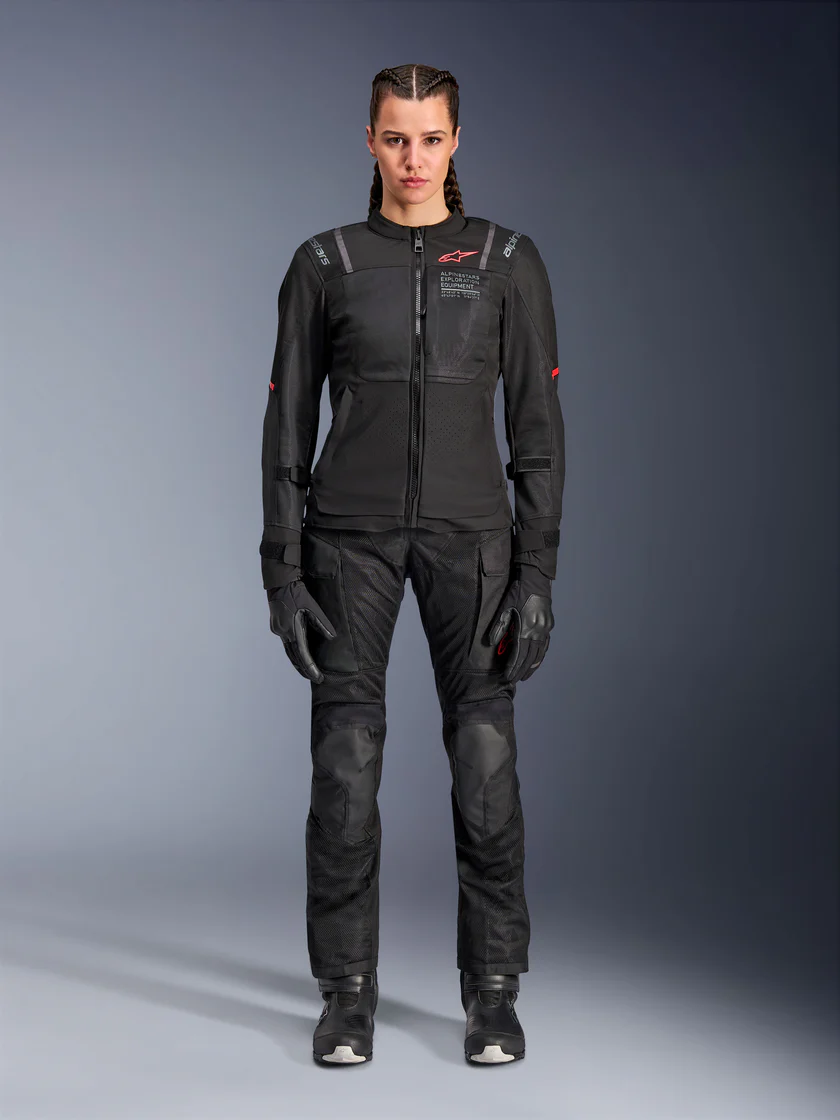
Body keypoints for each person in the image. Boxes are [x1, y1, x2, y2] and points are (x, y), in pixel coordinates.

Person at [259, 63, 565, 1066]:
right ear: (370, 141)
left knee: (485, 767)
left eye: (431, 138)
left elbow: (538, 429)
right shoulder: (327, 262)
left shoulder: (508, 260)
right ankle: (347, 993)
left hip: (473, 545)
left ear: (456, 141)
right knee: (345, 771)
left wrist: (536, 572)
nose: (414, 158)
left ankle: (493, 991)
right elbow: (285, 427)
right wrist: (281, 569)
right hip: (346, 544)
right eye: (396, 138)